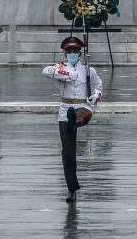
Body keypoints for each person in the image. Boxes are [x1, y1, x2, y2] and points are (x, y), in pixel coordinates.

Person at [42, 36, 103, 202]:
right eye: (69, 51)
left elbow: (98, 87)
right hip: (65, 108)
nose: (72, 53)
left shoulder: (89, 70)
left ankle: (76, 121)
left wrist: (95, 96)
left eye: (75, 51)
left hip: (83, 106)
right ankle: (72, 188)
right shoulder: (60, 67)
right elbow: (46, 71)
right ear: (64, 52)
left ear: (80, 52)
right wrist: (67, 74)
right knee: (68, 152)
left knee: (82, 116)